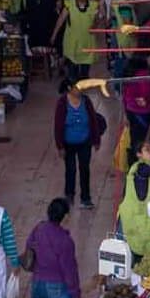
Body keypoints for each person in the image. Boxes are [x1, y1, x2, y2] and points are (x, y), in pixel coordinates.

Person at [26, 198, 80, 298]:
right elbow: (69, 271)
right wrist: (76, 295)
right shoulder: (65, 241)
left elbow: (29, 246)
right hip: (58, 290)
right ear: (64, 217)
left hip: (38, 286)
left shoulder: (39, 229)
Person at [54, 78, 102, 208]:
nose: (80, 90)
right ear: (70, 88)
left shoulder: (86, 102)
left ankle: (85, 198)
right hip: (68, 143)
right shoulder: (62, 103)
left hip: (84, 141)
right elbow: (58, 126)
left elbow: (93, 121)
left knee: (84, 169)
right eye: (77, 87)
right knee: (70, 169)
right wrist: (60, 146)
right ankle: (69, 195)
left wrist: (96, 140)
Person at [116, 140, 150, 265]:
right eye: (147, 150)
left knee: (135, 254)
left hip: (135, 218)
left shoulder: (138, 168)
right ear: (138, 154)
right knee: (134, 255)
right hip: (133, 219)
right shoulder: (141, 169)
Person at [51, 0, 100, 82]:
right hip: (72, 42)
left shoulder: (93, 6)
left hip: (87, 42)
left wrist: (94, 25)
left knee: (85, 69)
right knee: (72, 68)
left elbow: (96, 21)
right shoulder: (69, 5)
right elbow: (61, 20)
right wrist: (54, 34)